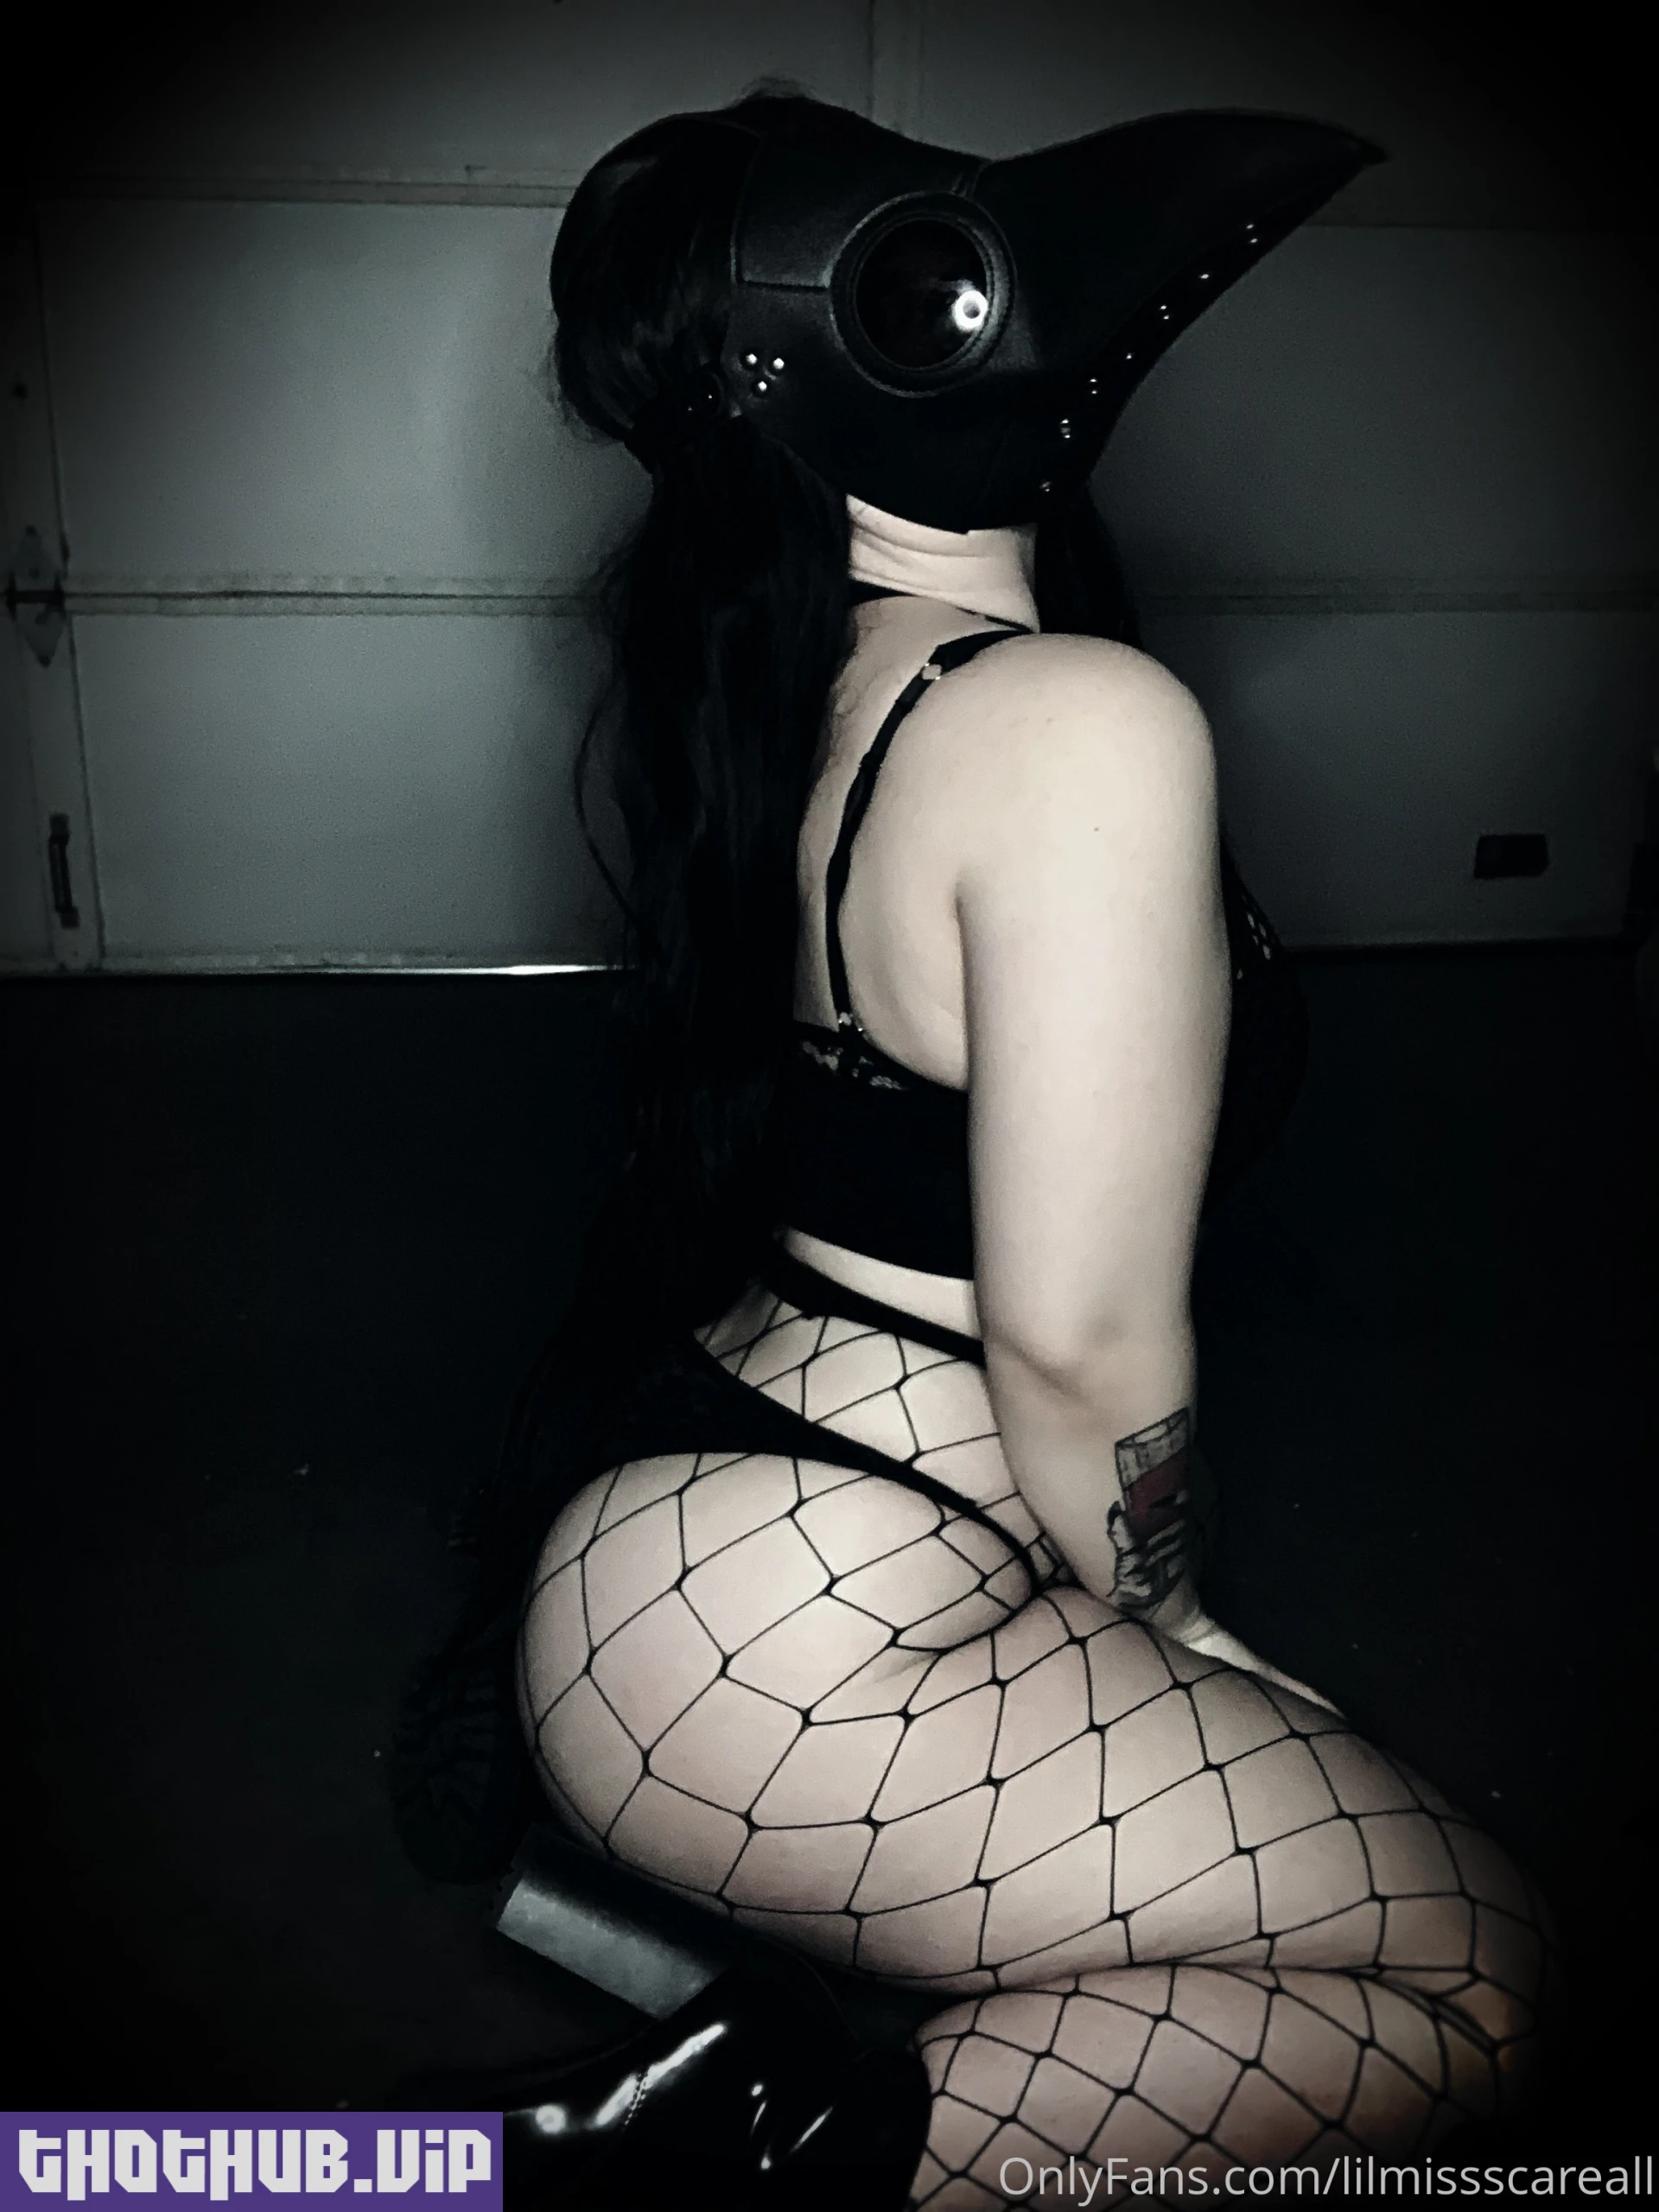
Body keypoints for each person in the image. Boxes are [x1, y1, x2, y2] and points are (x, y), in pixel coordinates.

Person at [412, 90, 1553, 2209]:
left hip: (688, 1578)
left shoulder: (792, 676)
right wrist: (1182, 1624)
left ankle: (742, 2087)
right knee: (1481, 1978)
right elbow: (1075, 1336)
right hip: (821, 1648)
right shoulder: (1072, 720)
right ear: (909, 321)